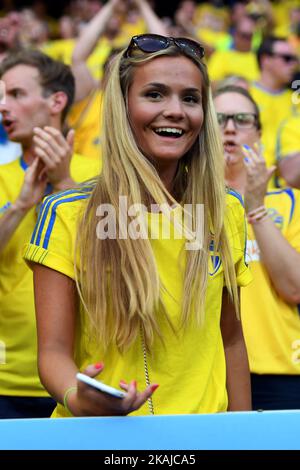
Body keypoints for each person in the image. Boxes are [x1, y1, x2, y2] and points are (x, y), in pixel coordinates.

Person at [24, 34, 252, 417]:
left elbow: (231, 340)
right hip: (103, 437)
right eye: (155, 94)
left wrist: (245, 437)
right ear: (122, 106)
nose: (176, 110)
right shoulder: (66, 213)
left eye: (190, 98)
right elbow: (53, 353)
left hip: (203, 437)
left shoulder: (225, 209)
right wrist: (79, 399)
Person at [0, 49, 100, 418]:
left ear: (57, 100)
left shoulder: (102, 172)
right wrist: (21, 205)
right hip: (6, 379)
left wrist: (63, 184)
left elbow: (113, 254)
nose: (3, 107)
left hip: (85, 375)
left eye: (16, 94)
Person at [214, 84, 300, 410]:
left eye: (242, 119)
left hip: (281, 373)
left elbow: (295, 287)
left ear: (260, 135)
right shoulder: (181, 202)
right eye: (219, 119)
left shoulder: (292, 201)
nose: (230, 128)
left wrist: (256, 209)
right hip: (207, 374)